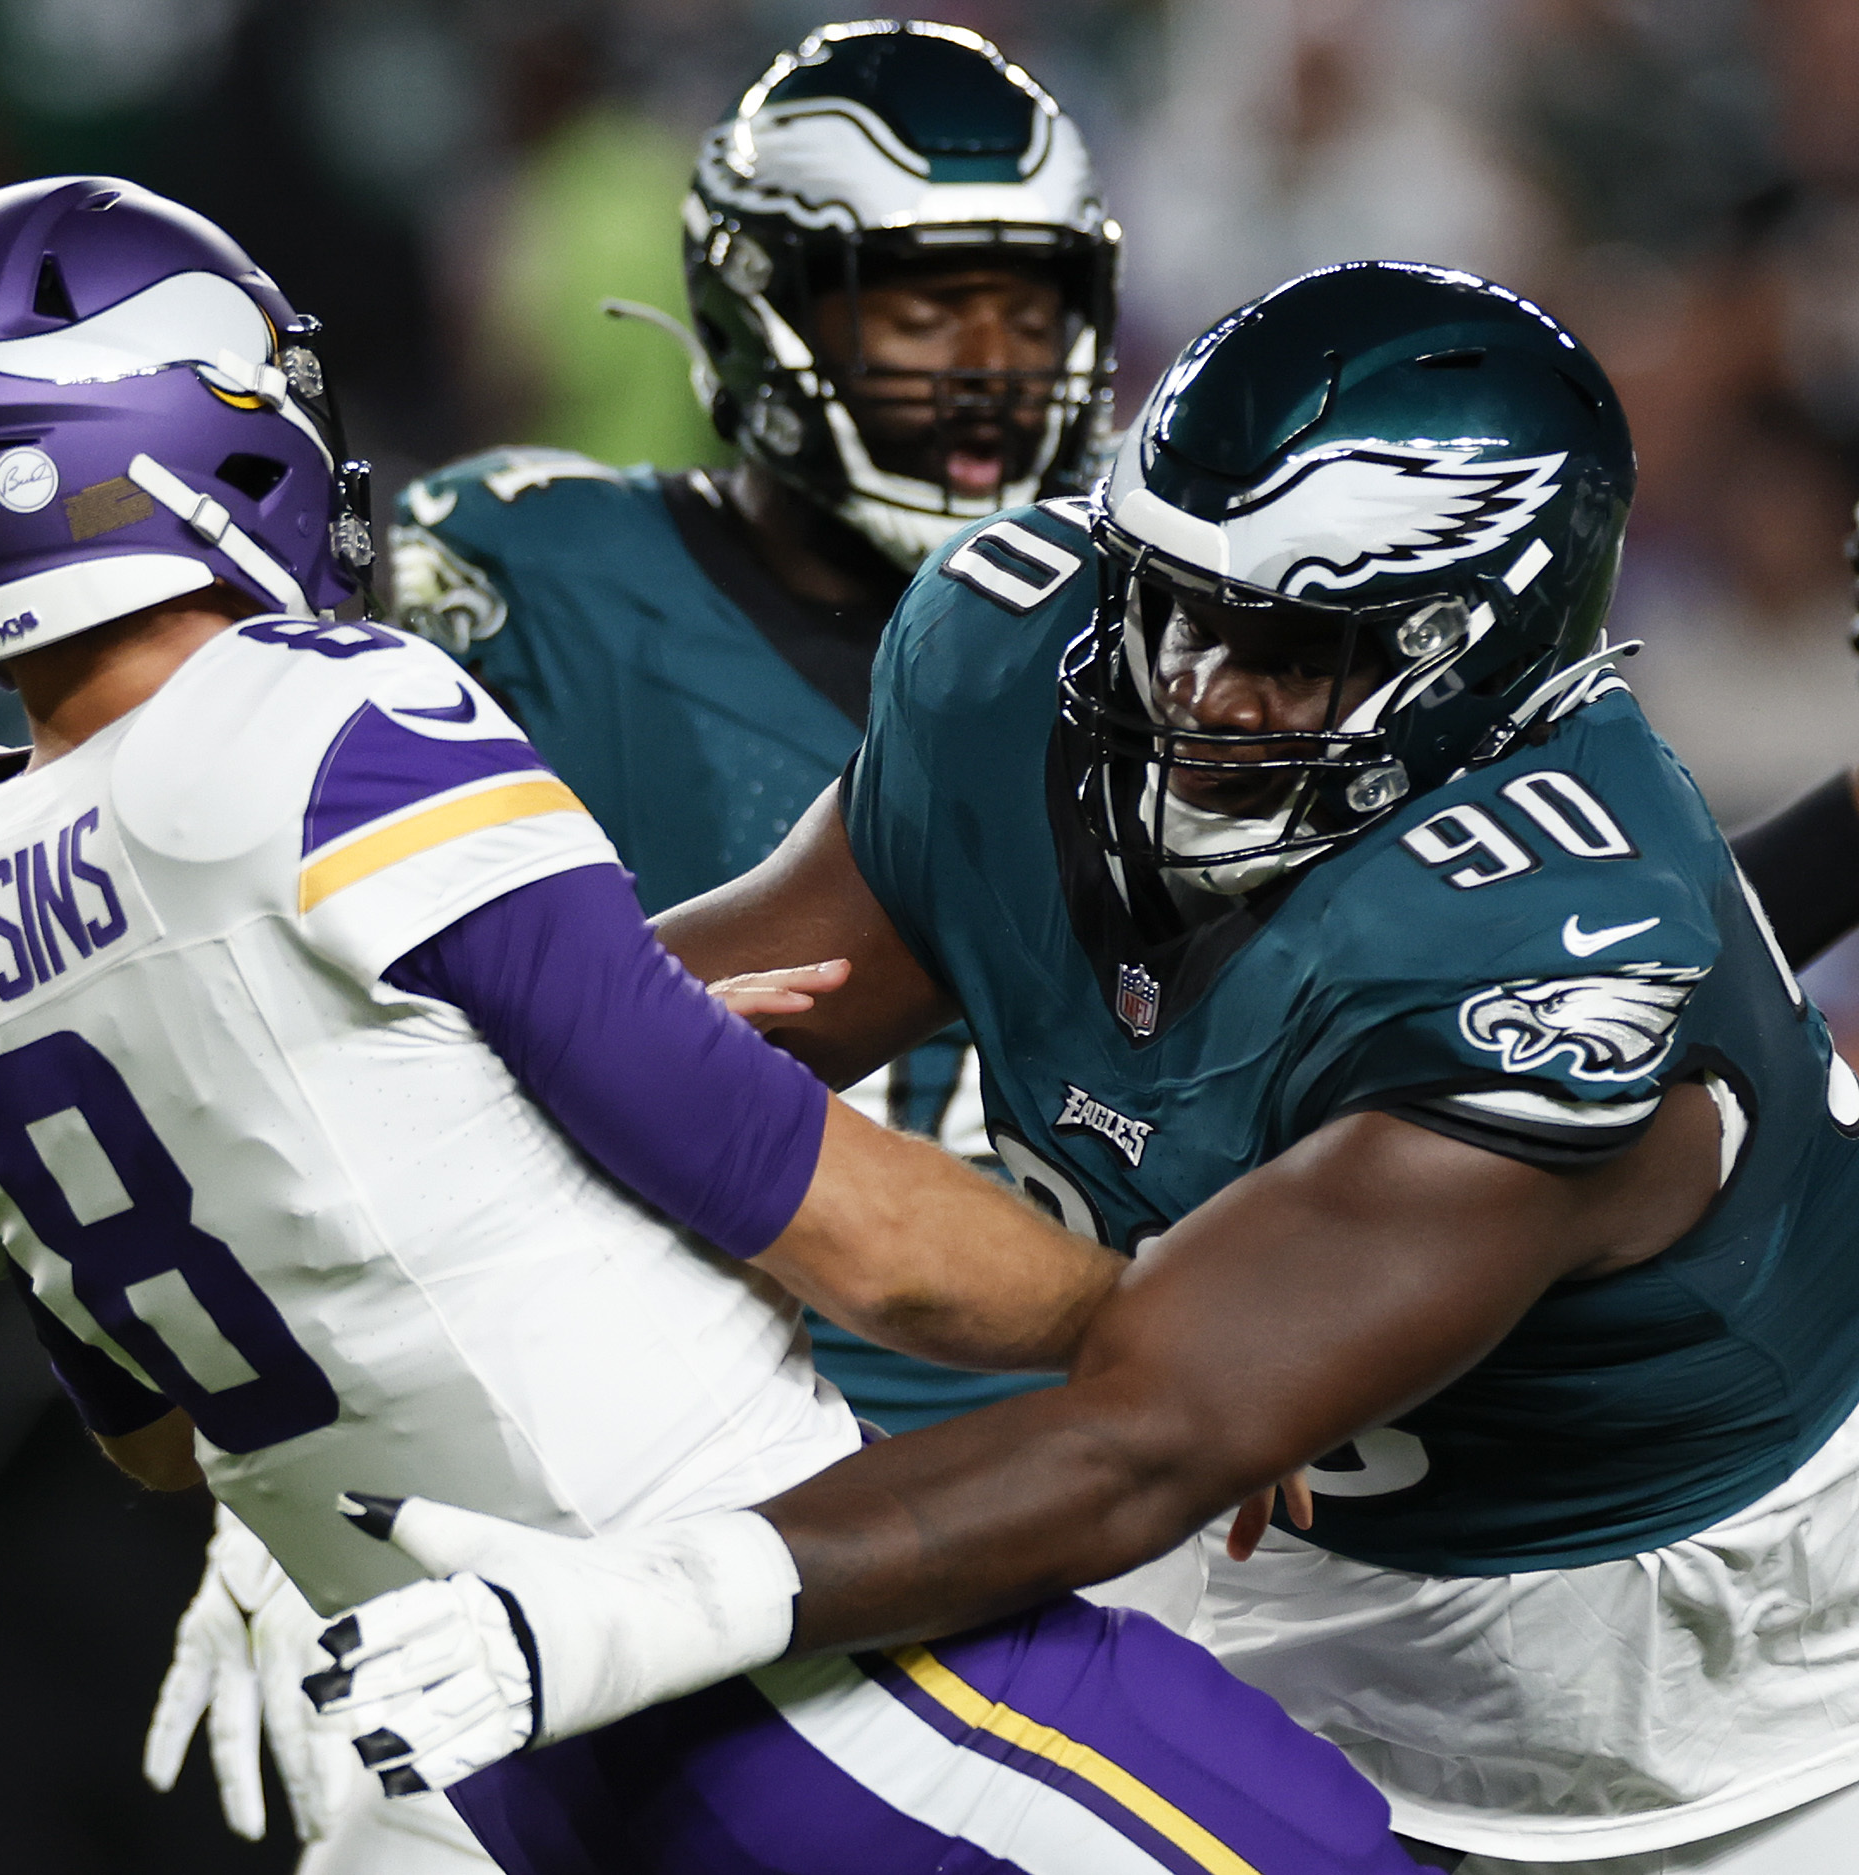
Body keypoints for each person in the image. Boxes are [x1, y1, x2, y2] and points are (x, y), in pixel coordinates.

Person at [0, 180, 1430, 1875]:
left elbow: (160, 1431)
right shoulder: (318, 723)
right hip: (780, 1648)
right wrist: (1164, 1352)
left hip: (487, 1756)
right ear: (165, 428)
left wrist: (484, 1110)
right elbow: (836, 1221)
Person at [300, 263, 1859, 1875]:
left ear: (1469, 652)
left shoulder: (1557, 949)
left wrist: (644, 1607)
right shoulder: (1015, 653)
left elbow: (1142, 1436)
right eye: (1171, 601)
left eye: (1285, 647)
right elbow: (725, 1011)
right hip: (1266, 1565)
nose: (1192, 688)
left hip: (1705, 1652)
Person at [391, 17, 1121, 1436]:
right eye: (926, 310)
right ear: (760, 304)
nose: (994, 368)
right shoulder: (539, 577)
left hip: (1062, 1432)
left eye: (1030, 316)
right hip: (657, 1413)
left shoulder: (1152, 631)